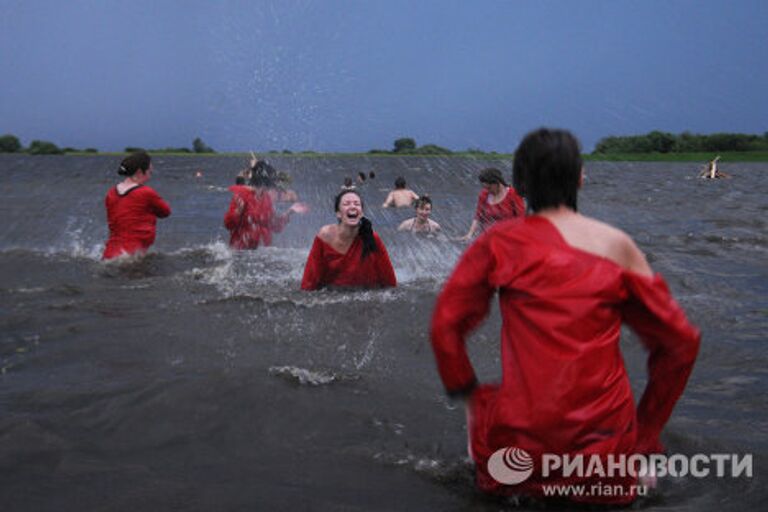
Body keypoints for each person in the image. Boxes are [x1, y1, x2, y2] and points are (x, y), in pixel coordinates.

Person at [430, 128, 700, 505]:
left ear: (520, 185)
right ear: (580, 178)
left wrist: (472, 400)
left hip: (523, 441)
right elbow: (681, 343)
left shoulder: (500, 242)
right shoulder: (616, 245)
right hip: (604, 445)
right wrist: (645, 435)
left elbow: (445, 325)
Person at [301, 190, 397, 290]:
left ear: (361, 213)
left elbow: (389, 280)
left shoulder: (371, 238)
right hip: (331, 294)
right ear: (338, 213)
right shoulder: (325, 236)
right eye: (346, 204)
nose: (352, 206)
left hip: (365, 294)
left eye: (357, 204)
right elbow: (309, 281)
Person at [103, 151, 171, 260]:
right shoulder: (146, 192)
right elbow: (166, 212)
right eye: (149, 172)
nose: (149, 176)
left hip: (109, 253)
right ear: (140, 172)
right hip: (131, 255)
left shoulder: (111, 193)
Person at [224, 168, 306, 250]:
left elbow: (274, 225)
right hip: (240, 251)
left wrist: (289, 212)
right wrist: (237, 212)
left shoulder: (266, 199)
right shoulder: (241, 196)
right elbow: (228, 224)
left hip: (261, 253)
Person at [460, 167, 524, 241]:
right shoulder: (484, 195)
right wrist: (469, 234)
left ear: (497, 183)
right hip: (488, 237)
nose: (487, 190)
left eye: (489, 188)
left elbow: (521, 218)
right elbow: (478, 217)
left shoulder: (513, 194)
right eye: (485, 187)